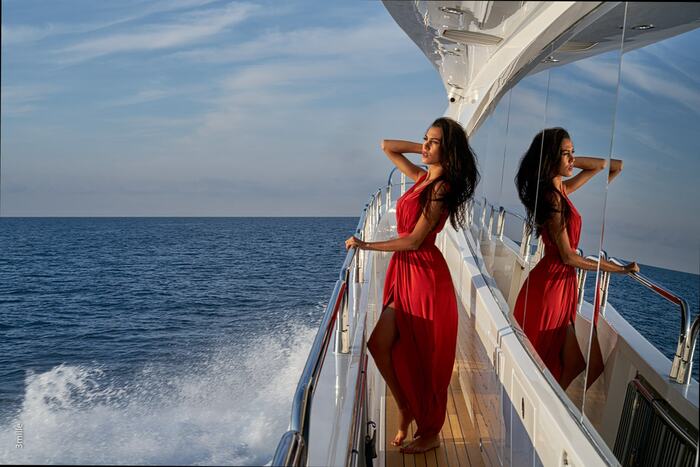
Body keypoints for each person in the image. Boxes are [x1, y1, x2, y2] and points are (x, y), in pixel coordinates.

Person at [345, 117, 479, 454]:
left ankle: (431, 431)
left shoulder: (441, 188)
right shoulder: (422, 179)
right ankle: (406, 409)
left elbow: (415, 241)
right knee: (379, 345)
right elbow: (387, 146)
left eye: (433, 142)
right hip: (404, 273)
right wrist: (427, 146)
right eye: (425, 140)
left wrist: (366, 245)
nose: (425, 146)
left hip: (424, 276)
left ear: (448, 151)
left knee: (427, 357)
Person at [513, 127, 638, 391]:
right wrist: (615, 269)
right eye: (566, 154)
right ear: (550, 157)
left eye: (573, 152)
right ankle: (545, 404)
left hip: (560, 286)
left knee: (574, 363)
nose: (572, 159)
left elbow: (614, 166)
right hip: (550, 286)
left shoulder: (561, 191)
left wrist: (566, 159)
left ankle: (547, 403)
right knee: (555, 359)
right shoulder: (553, 198)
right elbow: (569, 257)